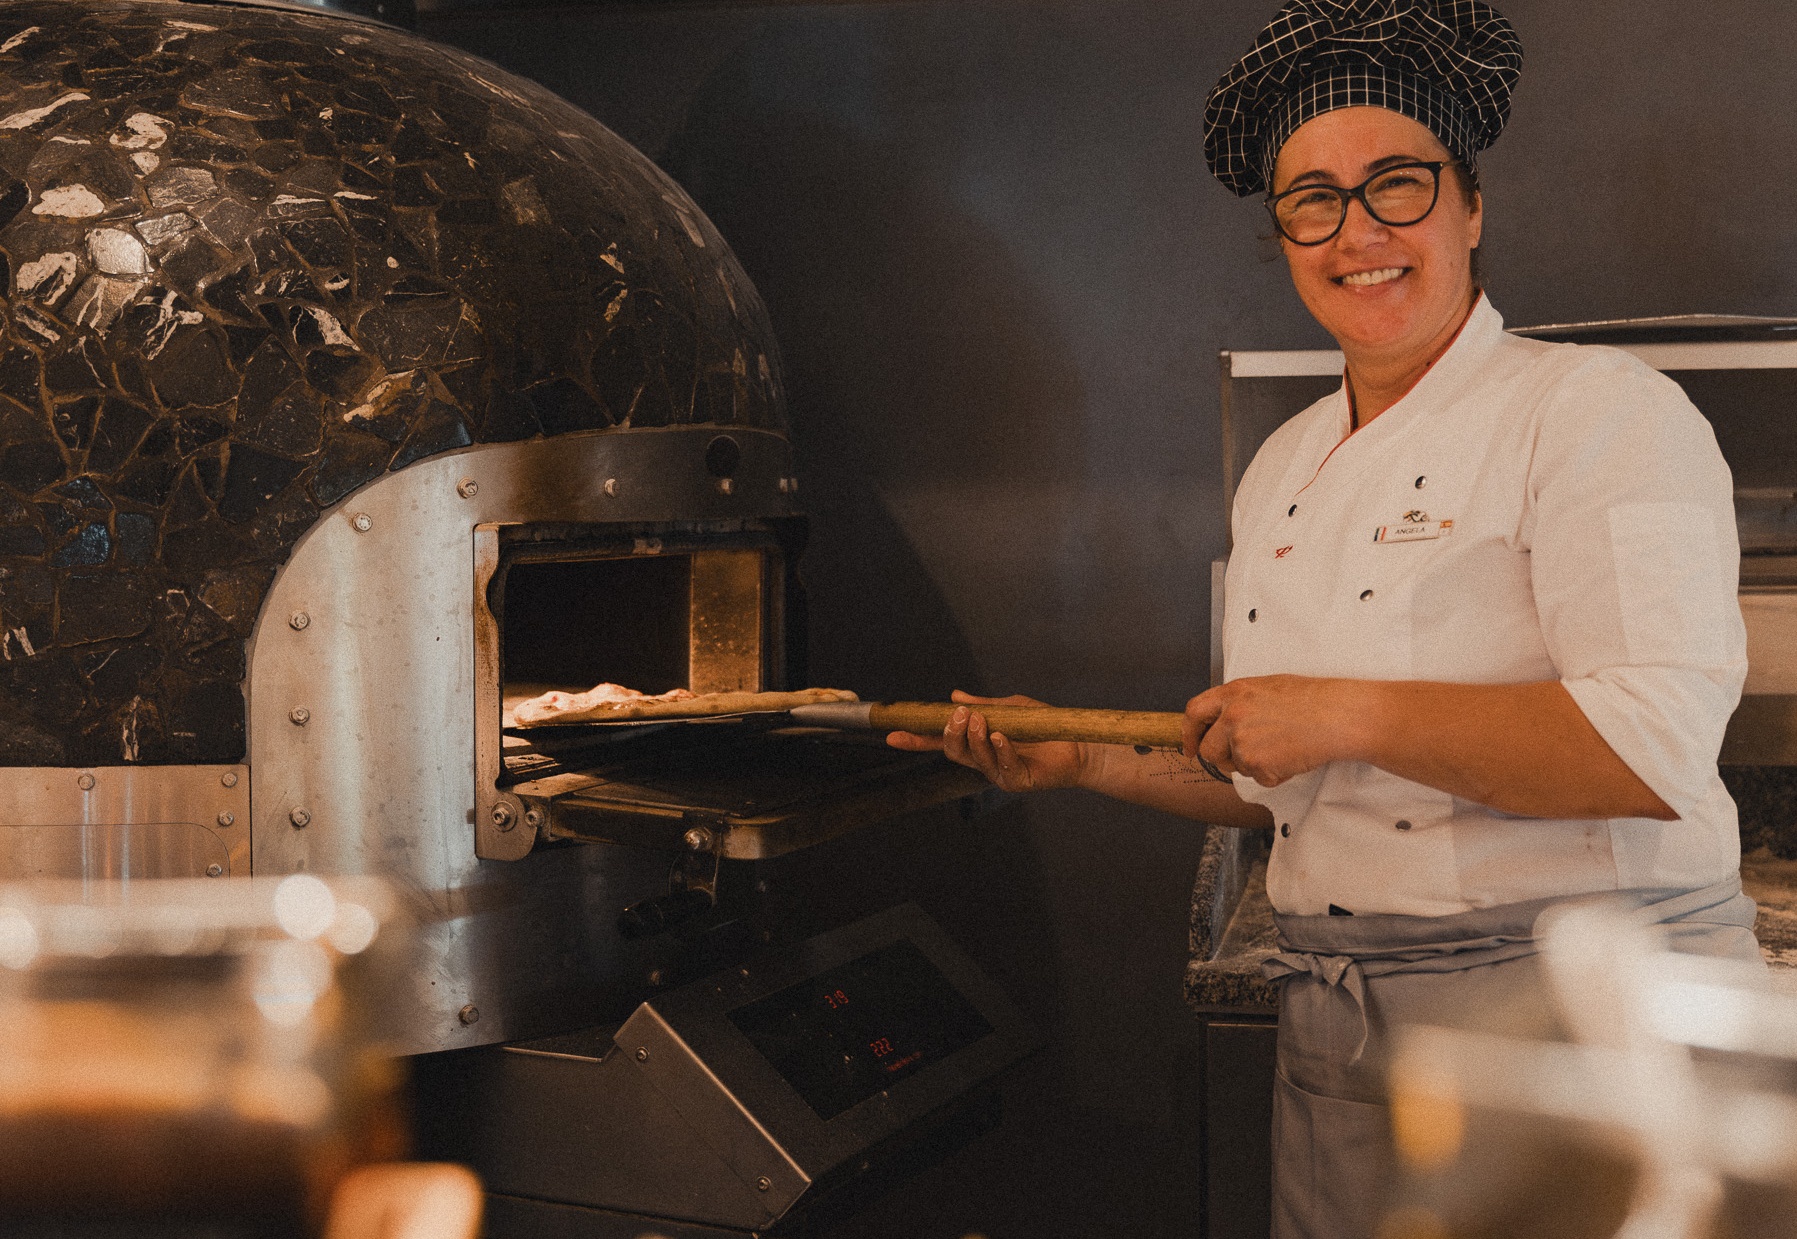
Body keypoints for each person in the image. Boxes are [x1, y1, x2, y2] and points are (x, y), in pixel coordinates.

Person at [888, 2, 1763, 1236]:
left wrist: (1343, 707)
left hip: (1582, 1033)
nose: (1358, 232)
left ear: (1471, 205)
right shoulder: (1288, 463)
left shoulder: (1598, 414)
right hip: (1344, 1032)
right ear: (1283, 234)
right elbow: (1285, 774)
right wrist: (1080, 758)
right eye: (1313, 199)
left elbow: (1649, 746)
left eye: (1396, 184)